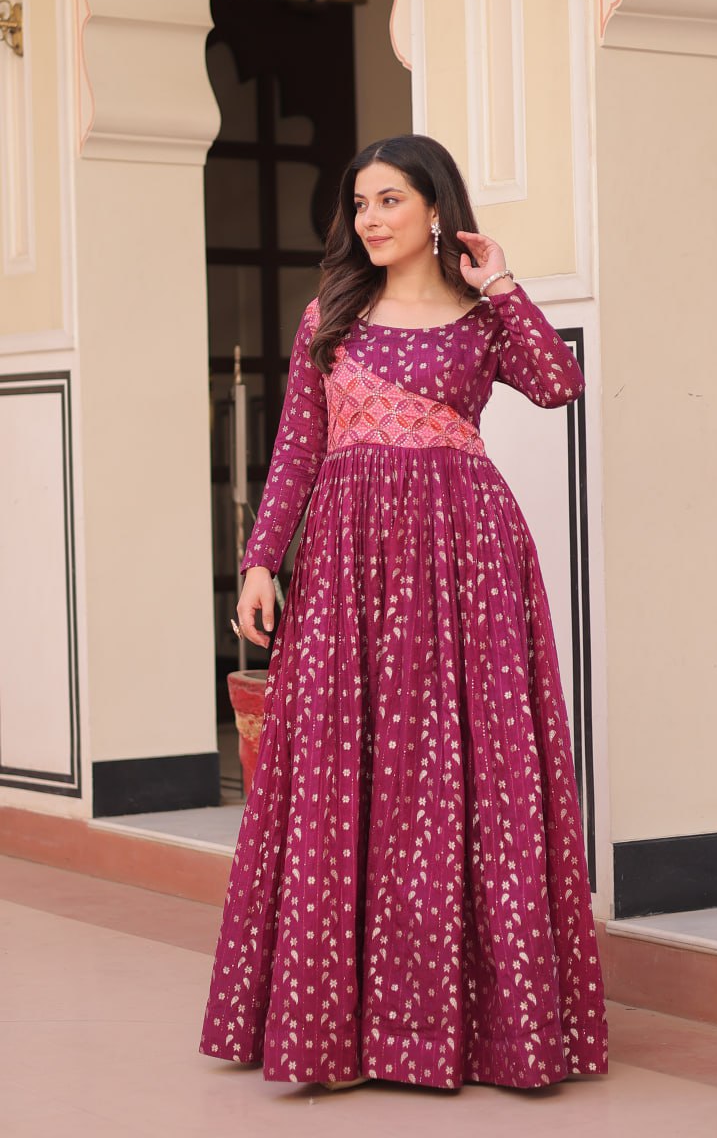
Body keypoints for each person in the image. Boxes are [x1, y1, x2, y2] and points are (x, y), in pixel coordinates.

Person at [199, 134, 608, 1091]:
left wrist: (501, 283)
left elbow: (558, 384)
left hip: (469, 558)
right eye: (360, 203)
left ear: (435, 210)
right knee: (341, 768)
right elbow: (296, 448)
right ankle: (332, 1030)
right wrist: (260, 562)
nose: (370, 219)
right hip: (347, 564)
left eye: (389, 200)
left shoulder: (479, 319)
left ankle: (486, 1031)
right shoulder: (331, 318)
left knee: (467, 769)